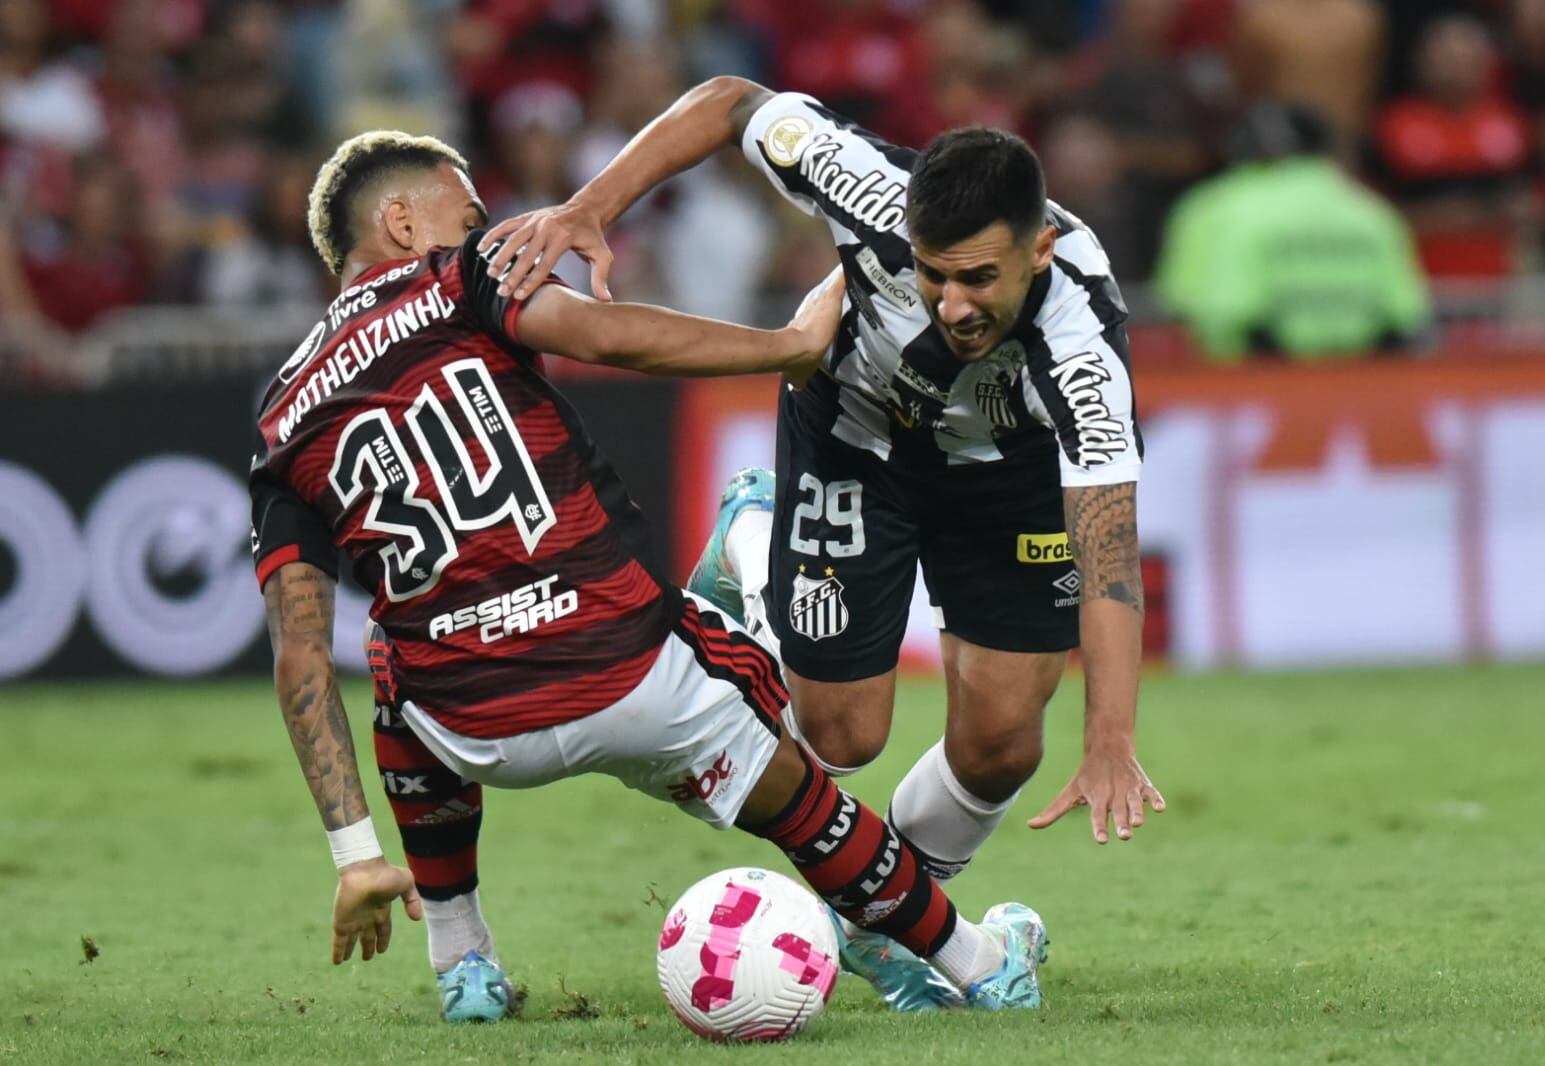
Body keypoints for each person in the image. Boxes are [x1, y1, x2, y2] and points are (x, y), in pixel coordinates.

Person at [250, 129, 1047, 1023]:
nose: (491, 229)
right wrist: (785, 346)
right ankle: (979, 964)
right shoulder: (456, 277)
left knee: (394, 663)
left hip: (478, 730)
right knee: (801, 787)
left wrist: (356, 855)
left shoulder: (282, 414)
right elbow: (605, 334)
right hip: (628, 669)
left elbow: (300, 662)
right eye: (469, 213)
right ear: (400, 219)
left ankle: (462, 964)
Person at [485, 77, 1163, 1010]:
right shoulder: (863, 182)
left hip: (1007, 484)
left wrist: (1110, 738)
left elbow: (1110, 559)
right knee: (841, 737)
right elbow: (728, 101)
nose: (952, 304)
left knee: (1004, 744)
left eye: (979, 279)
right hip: (856, 440)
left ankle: (874, 923)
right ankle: (754, 535)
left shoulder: (1084, 351)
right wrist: (587, 207)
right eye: (932, 274)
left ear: (1040, 248)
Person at [1156, 102, 1431, 360]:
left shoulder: (1212, 206)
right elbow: (1406, 317)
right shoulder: (1374, 212)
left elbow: (1181, 305)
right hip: (1361, 384)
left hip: (1246, 386)